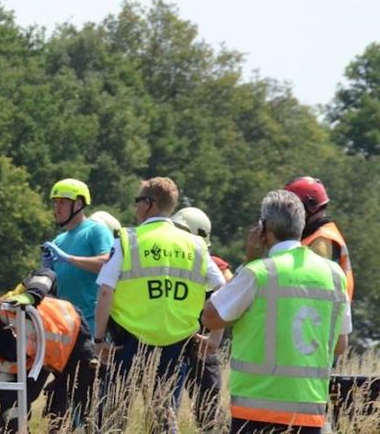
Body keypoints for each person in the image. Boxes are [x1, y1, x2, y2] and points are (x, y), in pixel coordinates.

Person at [202, 190, 351, 434]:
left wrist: (249, 261)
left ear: (263, 229)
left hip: (255, 412)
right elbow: (340, 345)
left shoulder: (257, 273)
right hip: (309, 413)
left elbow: (210, 317)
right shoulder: (334, 275)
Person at [93, 177, 225, 432]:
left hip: (128, 342)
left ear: (149, 204)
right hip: (176, 344)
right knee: (163, 419)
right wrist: (215, 337)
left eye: (137, 201)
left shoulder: (127, 240)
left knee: (112, 418)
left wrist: (99, 341)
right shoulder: (196, 245)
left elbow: (106, 292)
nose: (135, 208)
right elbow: (222, 290)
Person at [0, 269, 96, 433]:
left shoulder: (7, 307)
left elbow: (47, 273)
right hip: (41, 359)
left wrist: (32, 295)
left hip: (72, 332)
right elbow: (10, 400)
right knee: (18, 411)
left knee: (81, 400)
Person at [172, 206, 232, 433]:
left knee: (209, 416)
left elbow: (227, 291)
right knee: (167, 412)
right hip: (184, 342)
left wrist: (213, 338)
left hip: (198, 345)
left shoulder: (213, 264)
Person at [40, 178, 113, 331]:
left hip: (92, 323)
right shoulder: (58, 241)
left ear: (79, 204)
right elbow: (56, 291)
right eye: (55, 202)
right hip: (67, 326)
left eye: (63, 202)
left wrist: (69, 259)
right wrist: (48, 273)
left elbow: (108, 264)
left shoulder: (96, 230)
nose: (57, 208)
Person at [285, 176, 354, 299]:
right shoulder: (311, 236)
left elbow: (314, 286)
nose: (289, 215)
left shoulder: (322, 240)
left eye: (293, 209)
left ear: (311, 207)